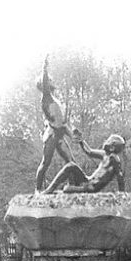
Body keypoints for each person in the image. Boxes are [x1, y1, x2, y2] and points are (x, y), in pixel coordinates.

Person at [34, 56, 76, 192]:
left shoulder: (57, 101)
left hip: (60, 135)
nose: (52, 81)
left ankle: (72, 186)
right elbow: (45, 82)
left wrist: (72, 135)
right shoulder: (46, 98)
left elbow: (63, 123)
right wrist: (44, 68)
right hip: (51, 135)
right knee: (45, 163)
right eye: (49, 80)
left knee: (71, 162)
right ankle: (38, 190)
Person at [42, 131, 125, 194]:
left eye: (108, 141)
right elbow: (89, 151)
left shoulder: (114, 158)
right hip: (87, 181)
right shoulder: (105, 154)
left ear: (112, 147)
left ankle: (61, 189)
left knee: (67, 188)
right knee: (71, 166)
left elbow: (120, 176)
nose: (105, 142)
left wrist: (122, 193)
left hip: (91, 187)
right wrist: (81, 141)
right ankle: (52, 190)